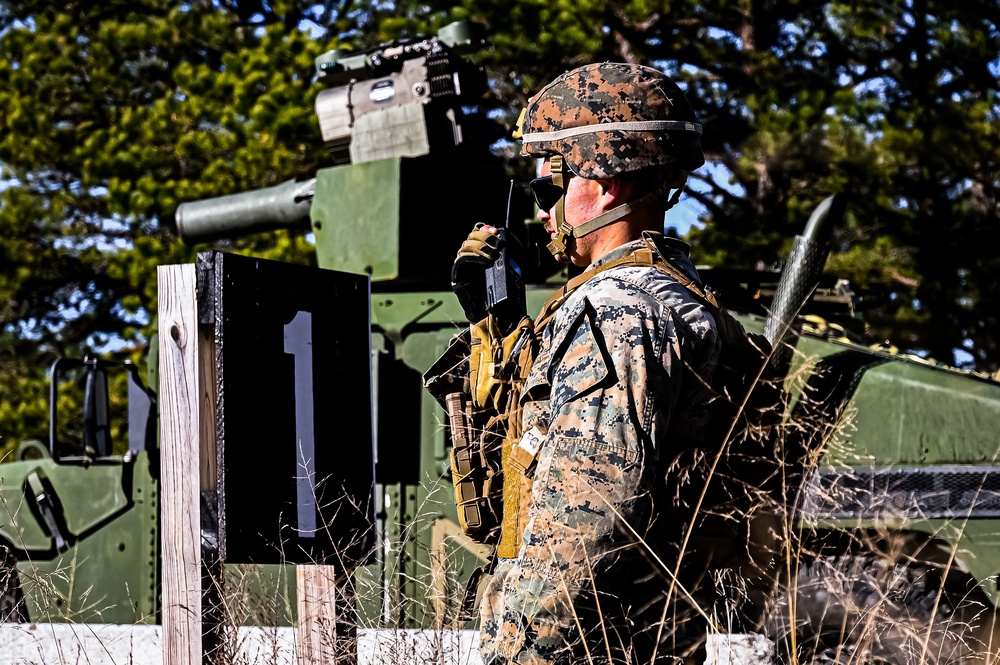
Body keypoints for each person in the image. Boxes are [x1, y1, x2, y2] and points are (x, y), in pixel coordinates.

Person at [449, 62, 764, 665]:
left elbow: (582, 524)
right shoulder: (677, 299)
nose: (541, 212)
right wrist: (497, 324)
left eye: (548, 189)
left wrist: (515, 653)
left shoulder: (615, 312)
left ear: (607, 184)